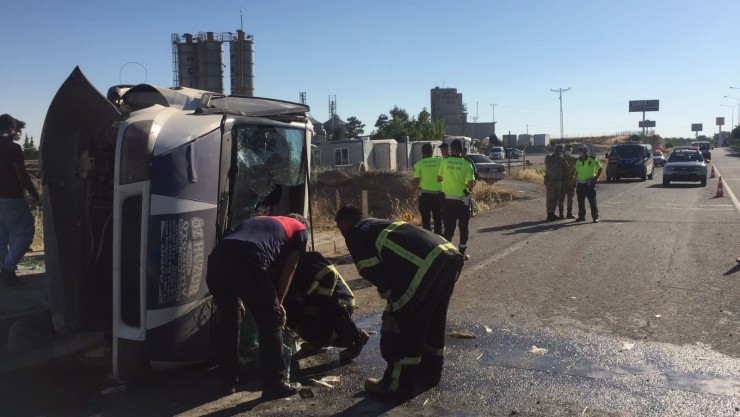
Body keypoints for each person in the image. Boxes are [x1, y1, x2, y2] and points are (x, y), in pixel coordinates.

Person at [335, 205, 464, 396]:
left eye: (340, 228)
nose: (342, 233)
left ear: (345, 223)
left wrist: (391, 298)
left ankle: (395, 384)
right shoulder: (376, 224)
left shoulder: (355, 233)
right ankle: (430, 374)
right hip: (448, 255)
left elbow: (370, 269)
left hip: (425, 266)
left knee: (403, 325)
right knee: (433, 320)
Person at [206, 214, 308, 398]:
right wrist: (279, 303)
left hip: (217, 260)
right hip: (248, 258)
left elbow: (243, 257)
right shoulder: (300, 229)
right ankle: (274, 383)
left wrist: (241, 299)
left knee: (230, 320)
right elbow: (289, 270)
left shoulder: (260, 219)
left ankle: (228, 380)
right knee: (271, 321)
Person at [285, 250, 369, 361]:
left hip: (339, 301)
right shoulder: (278, 268)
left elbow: (329, 275)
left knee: (325, 315)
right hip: (313, 302)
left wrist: (317, 304)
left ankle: (355, 338)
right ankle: (317, 340)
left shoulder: (309, 258)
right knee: (291, 316)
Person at [0, 114, 39, 286]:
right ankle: (9, 269)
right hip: (12, 197)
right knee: (25, 232)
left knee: (2, 236)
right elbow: (21, 175)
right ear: (10, 129)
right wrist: (34, 193)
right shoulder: (13, 149)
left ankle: (2, 268)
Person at [437, 139, 476, 259]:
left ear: (450, 149)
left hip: (447, 200)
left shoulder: (444, 162)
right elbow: (470, 184)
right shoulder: (466, 164)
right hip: (462, 201)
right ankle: (462, 253)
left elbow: (439, 179)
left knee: (448, 228)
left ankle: (446, 253)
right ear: (462, 149)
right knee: (463, 227)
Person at [411, 143, 444, 234]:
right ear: (432, 151)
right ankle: (439, 239)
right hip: (439, 195)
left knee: (426, 220)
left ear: (422, 152)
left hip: (425, 195)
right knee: (438, 218)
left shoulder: (419, 164)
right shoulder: (440, 161)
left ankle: (428, 240)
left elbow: (416, 181)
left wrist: (412, 195)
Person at [573, 145, 603, 223]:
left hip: (589, 184)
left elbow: (600, 168)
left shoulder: (591, 159)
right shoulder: (577, 161)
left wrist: (595, 178)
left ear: (586, 152)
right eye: (579, 151)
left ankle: (595, 217)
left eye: (582, 151)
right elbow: (576, 171)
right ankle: (581, 216)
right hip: (580, 185)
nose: (580, 153)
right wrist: (574, 180)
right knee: (580, 202)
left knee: (592, 202)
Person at [543, 144, 569, 221]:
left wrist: (563, 159)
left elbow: (567, 167)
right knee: (550, 198)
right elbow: (547, 164)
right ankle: (550, 214)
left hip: (558, 181)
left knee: (555, 198)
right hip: (551, 180)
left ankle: (552, 213)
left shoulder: (561, 159)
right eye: (560, 151)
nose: (561, 153)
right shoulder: (549, 157)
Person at [559, 144, 577, 219]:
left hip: (571, 181)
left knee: (570, 199)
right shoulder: (560, 159)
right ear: (564, 151)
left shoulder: (574, 159)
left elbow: (576, 170)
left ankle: (569, 213)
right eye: (567, 150)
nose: (568, 151)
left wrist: (575, 179)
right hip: (562, 181)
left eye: (570, 150)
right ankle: (561, 214)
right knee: (561, 198)